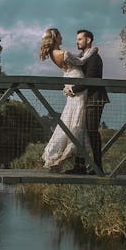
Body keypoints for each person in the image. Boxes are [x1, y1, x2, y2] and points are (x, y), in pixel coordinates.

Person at [38, 28, 98, 172]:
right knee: (77, 121)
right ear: (55, 38)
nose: (62, 37)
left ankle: (78, 163)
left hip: (71, 85)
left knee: (71, 120)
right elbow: (82, 61)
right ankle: (69, 158)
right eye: (60, 35)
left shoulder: (54, 54)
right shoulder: (63, 53)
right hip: (78, 88)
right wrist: (93, 50)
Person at [69, 29, 109, 175]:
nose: (77, 41)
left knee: (92, 132)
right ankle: (80, 166)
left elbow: (89, 80)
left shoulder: (94, 58)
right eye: (77, 39)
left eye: (80, 39)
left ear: (89, 40)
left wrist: (73, 89)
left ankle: (98, 167)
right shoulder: (83, 57)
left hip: (95, 98)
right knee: (80, 131)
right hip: (86, 98)